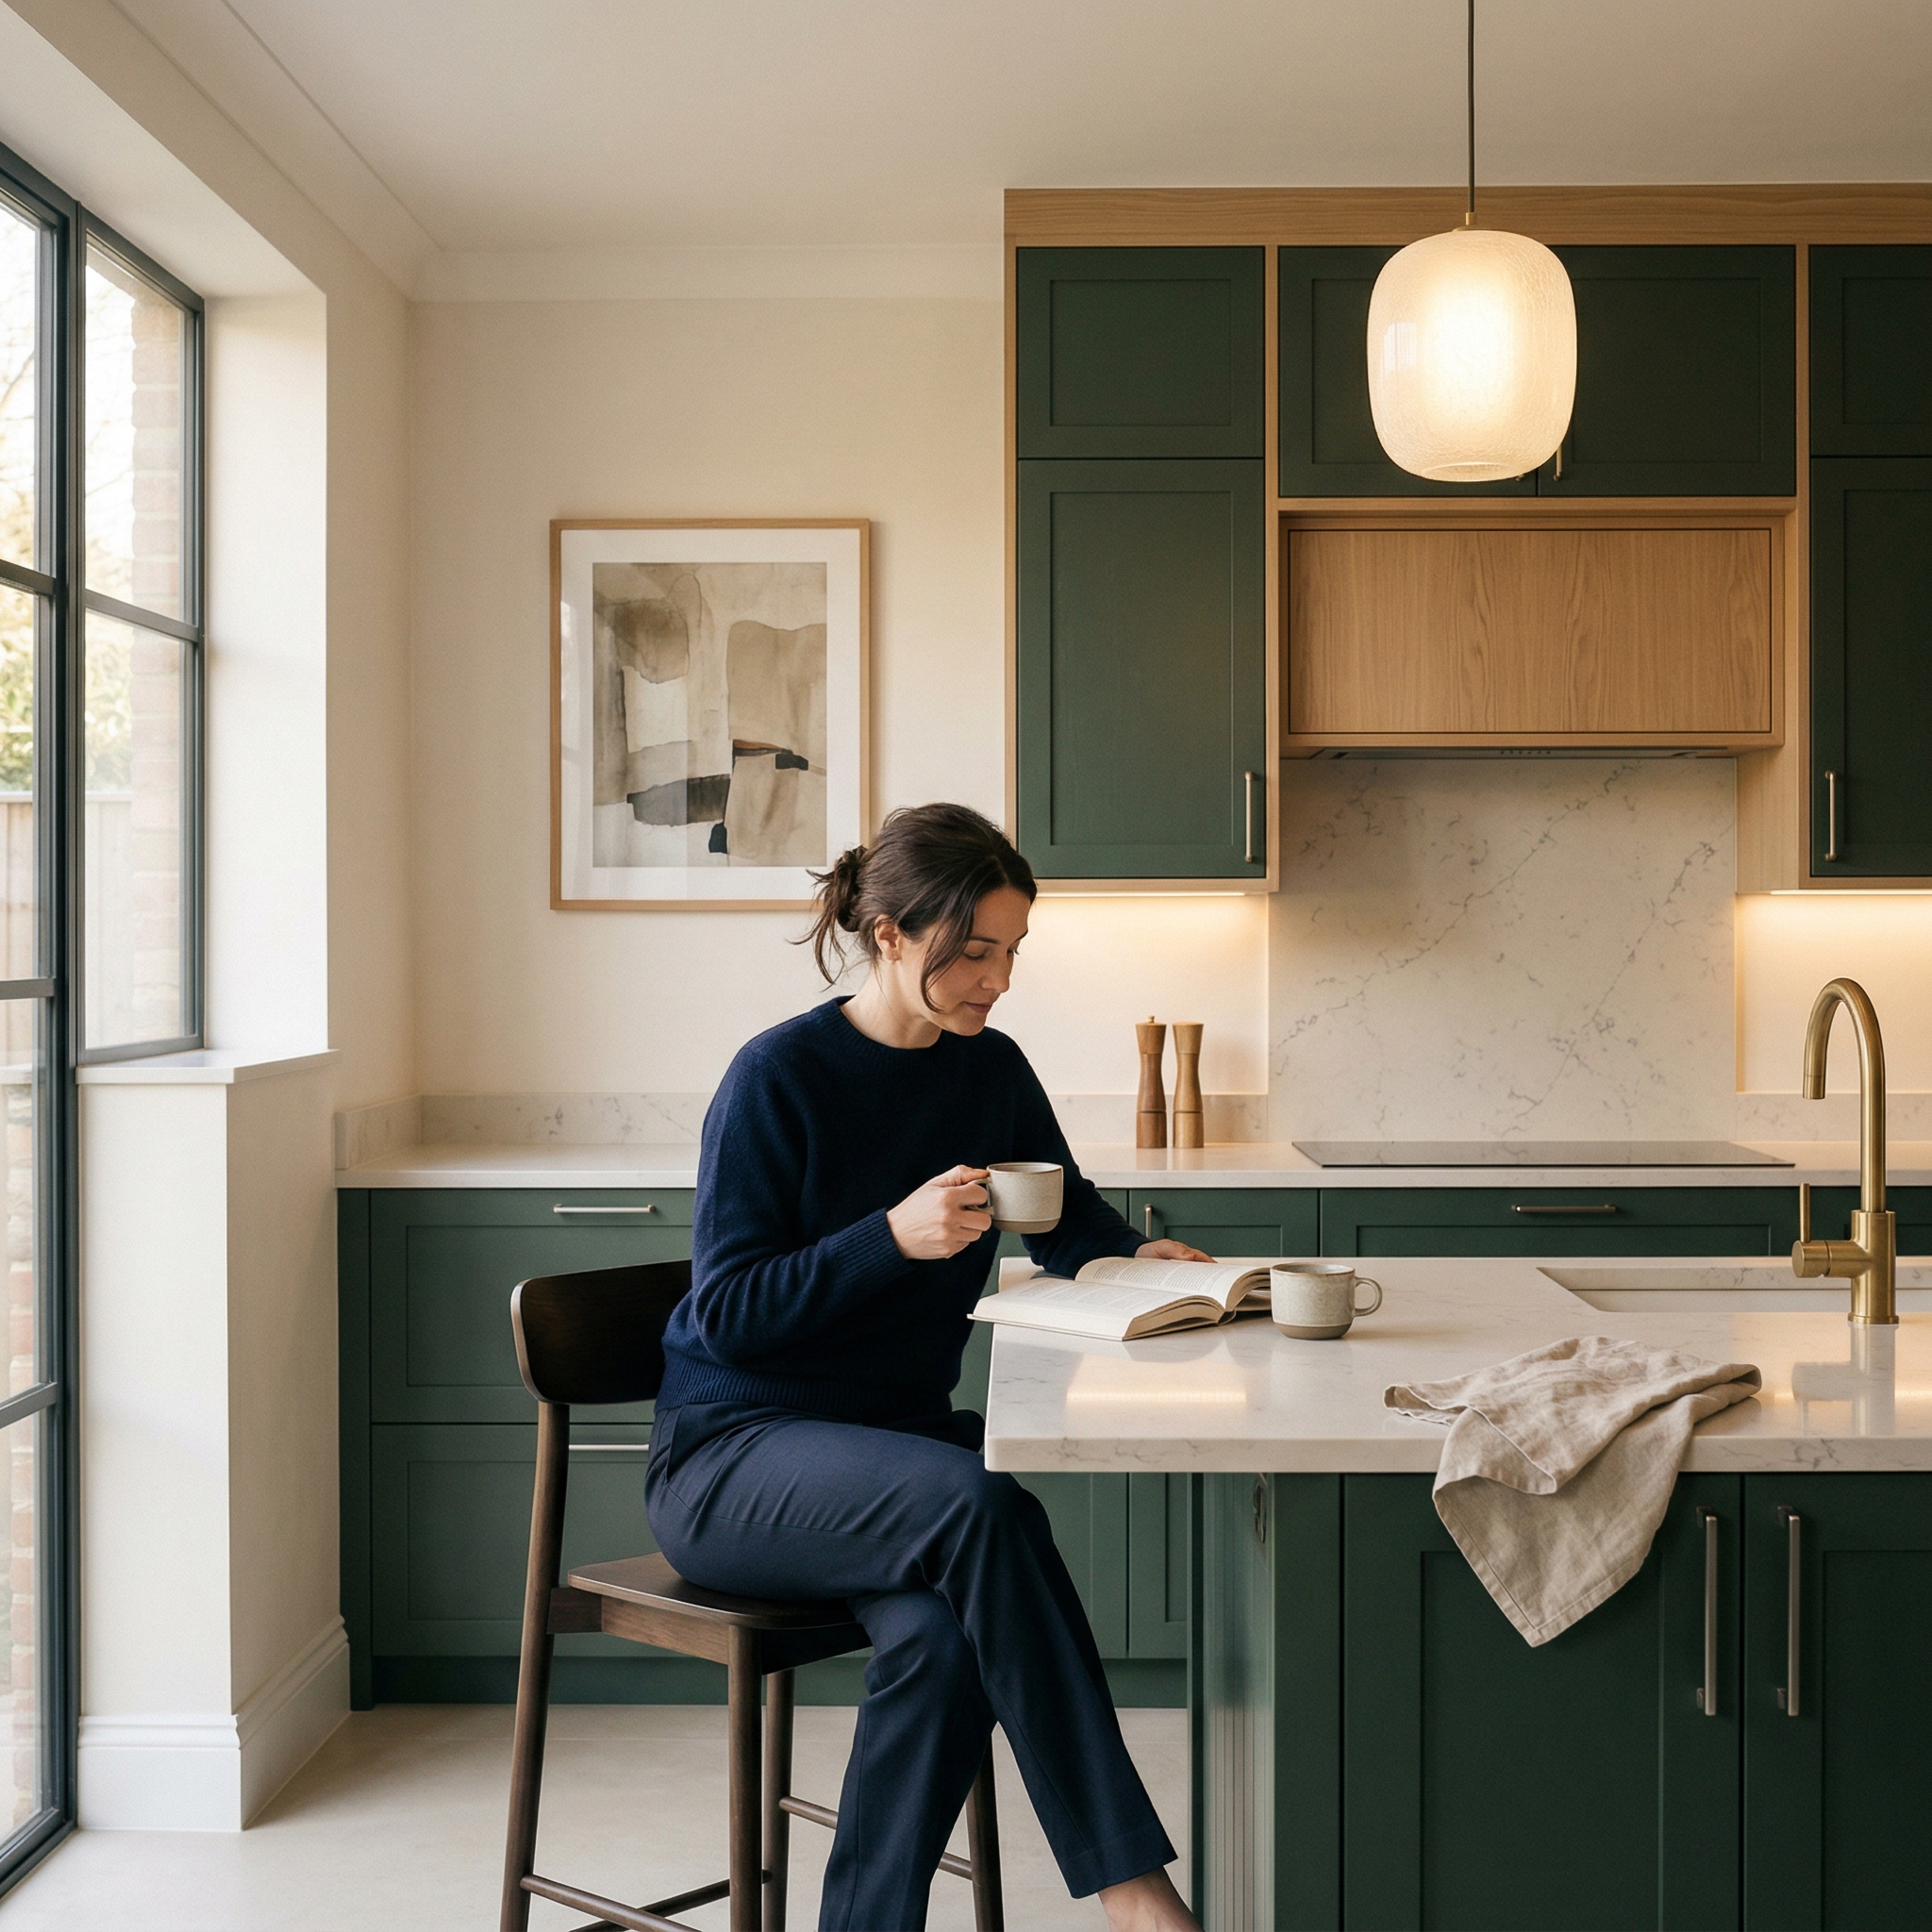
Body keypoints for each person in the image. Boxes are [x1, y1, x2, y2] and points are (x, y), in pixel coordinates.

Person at [645, 802, 1207, 1932]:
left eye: (1009, 952)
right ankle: (1134, 1894)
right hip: (731, 1459)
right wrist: (884, 1237)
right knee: (981, 1500)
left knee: (946, 1633)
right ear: (892, 934)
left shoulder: (986, 1069)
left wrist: (1142, 1254)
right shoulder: (777, 1077)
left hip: (884, 1461)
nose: (995, 980)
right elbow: (730, 1312)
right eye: (972, 952)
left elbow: (1063, 1217)